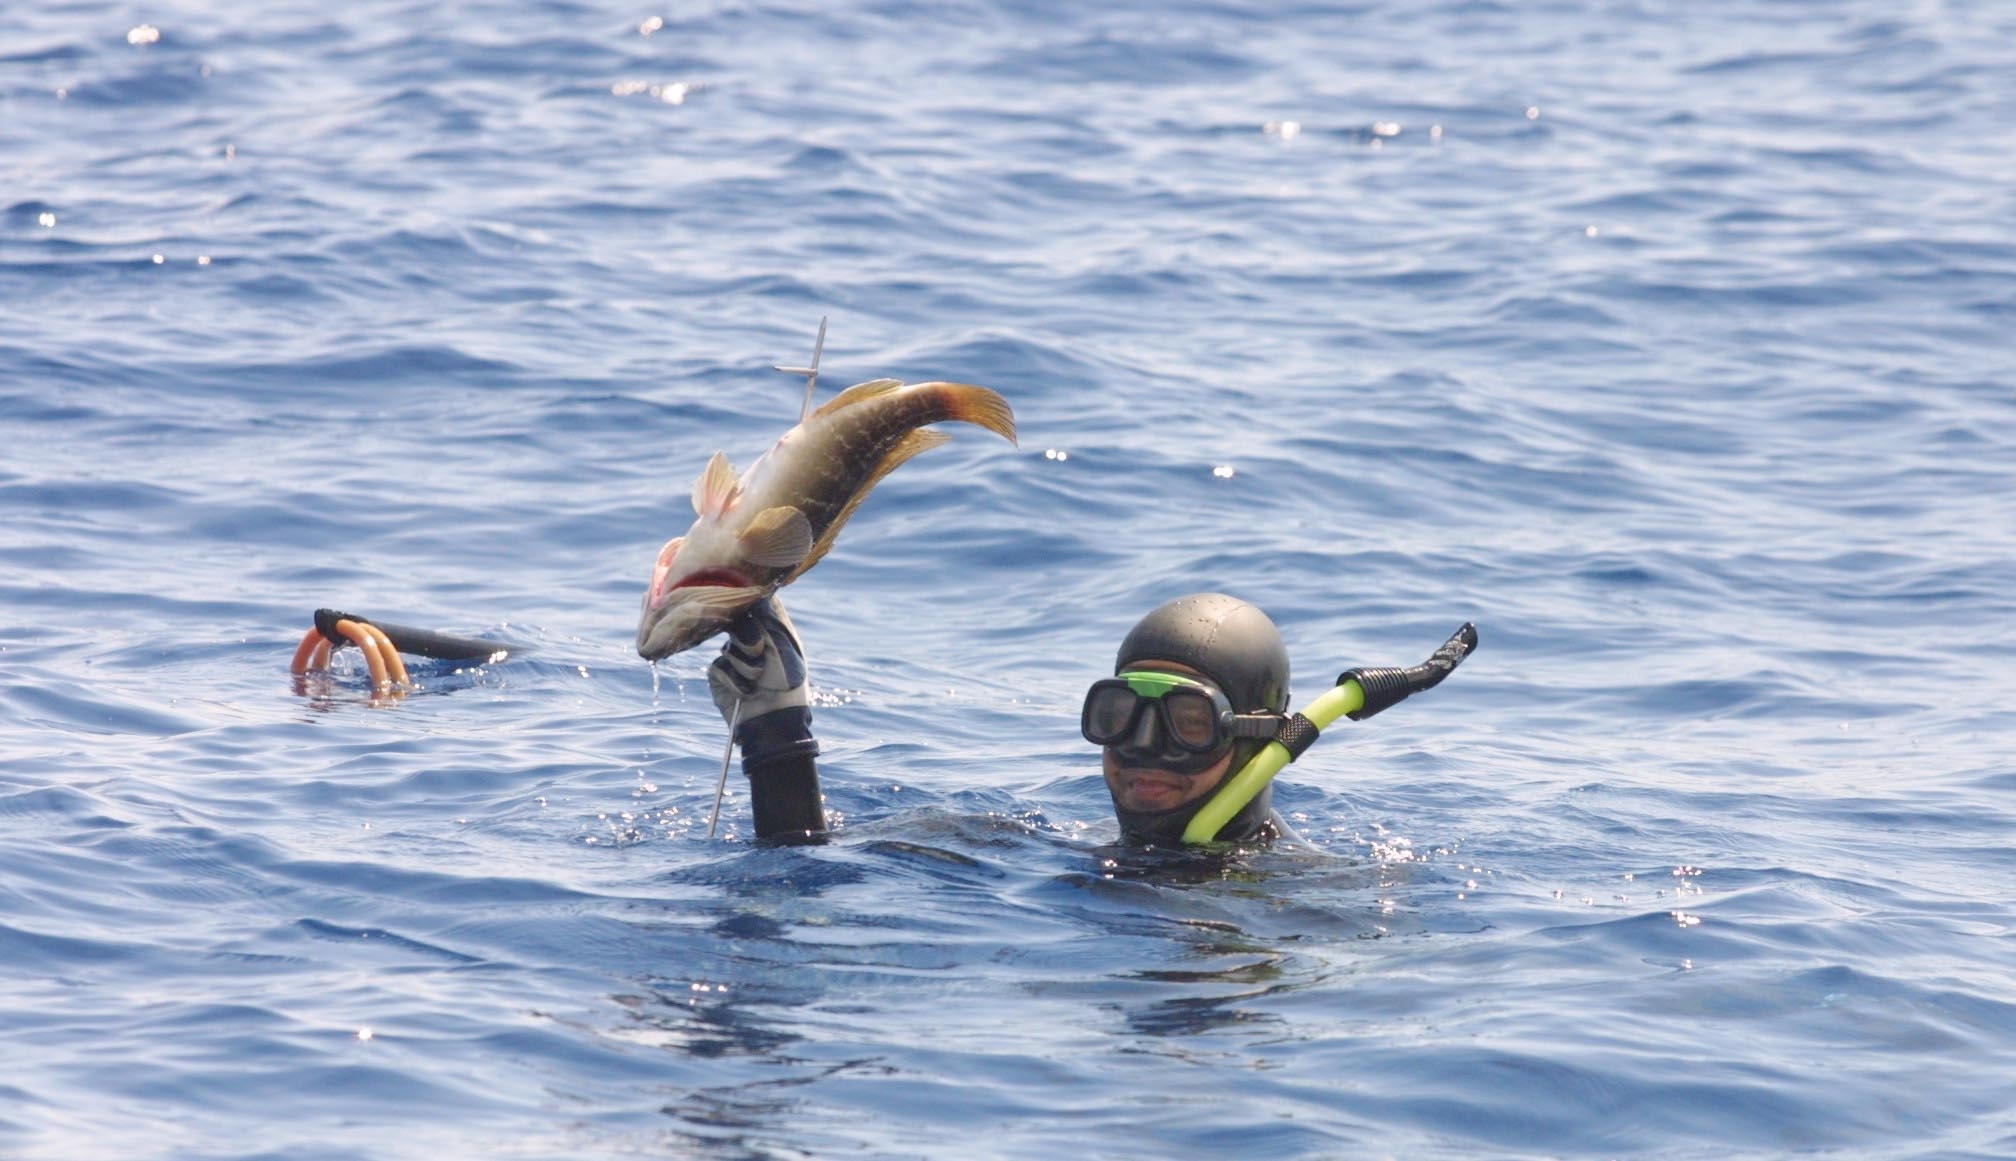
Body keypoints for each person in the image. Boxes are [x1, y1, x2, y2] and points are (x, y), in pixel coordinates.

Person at [708, 591, 1463, 847]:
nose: (1143, 751)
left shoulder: (1300, 902)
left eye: (1188, 723)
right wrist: (777, 730)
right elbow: (802, 870)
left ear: (1260, 740)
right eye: (1120, 714)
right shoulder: (1040, 847)